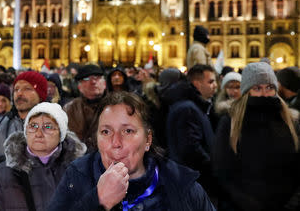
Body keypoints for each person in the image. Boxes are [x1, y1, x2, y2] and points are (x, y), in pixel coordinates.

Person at [47, 91, 215, 211]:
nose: (116, 143)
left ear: (147, 139)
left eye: (128, 131)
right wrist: (98, 200)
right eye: (106, 132)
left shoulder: (182, 185)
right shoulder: (78, 176)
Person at [213, 62, 300, 211]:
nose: (265, 94)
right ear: (247, 91)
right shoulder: (230, 122)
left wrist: (291, 204)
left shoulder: (291, 122)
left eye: (269, 87)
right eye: (257, 88)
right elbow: (222, 170)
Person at [0, 102, 86, 210]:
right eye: (33, 126)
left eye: (48, 127)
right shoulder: (3, 172)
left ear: (61, 135)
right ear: (26, 131)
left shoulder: (78, 171)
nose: (38, 133)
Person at [0, 70, 48, 188]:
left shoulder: (53, 128)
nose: (20, 93)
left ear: (41, 95)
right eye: (16, 89)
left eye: (27, 89)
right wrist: (9, 184)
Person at [164, 64, 217, 196]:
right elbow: (191, 149)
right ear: (197, 84)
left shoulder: (195, 105)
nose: (215, 85)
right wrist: (211, 165)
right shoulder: (188, 109)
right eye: (210, 81)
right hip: (193, 181)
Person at [64, 64, 106, 151]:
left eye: (97, 77)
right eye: (86, 79)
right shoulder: (70, 108)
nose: (93, 82)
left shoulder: (115, 106)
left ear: (104, 84)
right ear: (79, 87)